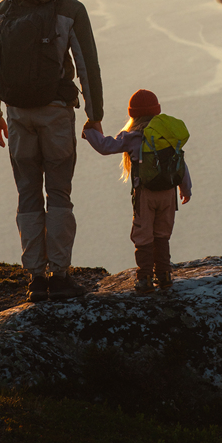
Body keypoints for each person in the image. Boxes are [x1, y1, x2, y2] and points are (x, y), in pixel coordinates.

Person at [0, 0, 103, 303]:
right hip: (55, 115)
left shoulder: (8, 7)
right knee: (60, 193)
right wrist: (93, 115)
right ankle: (60, 275)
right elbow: (87, 67)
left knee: (28, 194)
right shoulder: (70, 9)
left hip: (18, 114)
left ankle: (36, 278)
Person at [82, 88, 191, 294]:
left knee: (143, 236)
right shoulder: (167, 135)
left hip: (145, 194)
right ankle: (165, 275)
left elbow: (106, 147)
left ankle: (145, 279)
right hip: (168, 194)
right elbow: (180, 164)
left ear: (133, 114)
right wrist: (185, 189)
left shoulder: (133, 136)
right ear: (157, 111)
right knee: (162, 234)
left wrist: (89, 132)